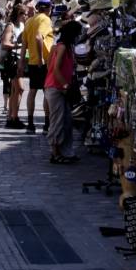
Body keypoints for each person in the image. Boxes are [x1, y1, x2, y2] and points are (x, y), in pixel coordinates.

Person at [45, 20, 82, 164]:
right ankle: (55, 153)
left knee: (66, 121)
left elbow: (50, 65)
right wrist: (65, 85)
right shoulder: (62, 47)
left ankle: (65, 151)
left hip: (58, 87)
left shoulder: (61, 47)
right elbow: (55, 69)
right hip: (57, 88)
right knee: (58, 121)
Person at [20, 0, 54, 134]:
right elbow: (39, 37)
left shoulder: (29, 21)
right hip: (44, 62)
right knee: (47, 92)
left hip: (32, 62)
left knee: (32, 91)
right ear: (47, 9)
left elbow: (24, 44)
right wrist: (41, 59)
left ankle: (30, 124)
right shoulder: (45, 19)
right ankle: (46, 125)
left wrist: (21, 62)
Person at [1, 3, 27, 128]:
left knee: (14, 90)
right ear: (19, 14)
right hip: (12, 60)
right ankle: (14, 117)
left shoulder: (22, 25)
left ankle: (11, 118)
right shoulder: (10, 26)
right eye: (24, 13)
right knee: (20, 88)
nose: (26, 16)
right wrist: (19, 46)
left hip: (19, 60)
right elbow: (5, 43)